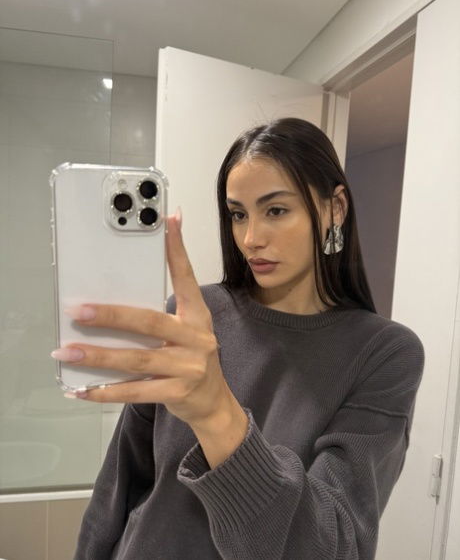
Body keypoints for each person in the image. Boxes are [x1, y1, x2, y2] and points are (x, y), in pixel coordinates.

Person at [58, 118, 424, 559]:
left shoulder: (385, 354)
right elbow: (119, 486)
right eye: (238, 214)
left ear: (335, 208)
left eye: (276, 210)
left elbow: (332, 546)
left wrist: (216, 414)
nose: (251, 238)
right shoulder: (193, 316)